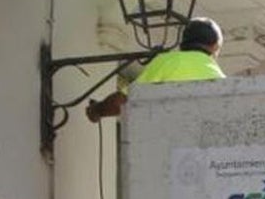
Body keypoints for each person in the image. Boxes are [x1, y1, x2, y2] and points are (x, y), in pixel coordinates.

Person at [86, 16, 225, 122]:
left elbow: (123, 101)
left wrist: (97, 110)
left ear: (183, 42)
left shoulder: (168, 62)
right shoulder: (221, 79)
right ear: (215, 47)